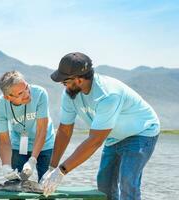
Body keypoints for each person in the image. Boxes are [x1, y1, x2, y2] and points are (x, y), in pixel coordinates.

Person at [41, 52, 160, 199]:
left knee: (127, 181)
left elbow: (95, 141)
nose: (63, 85)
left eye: (64, 81)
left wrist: (62, 171)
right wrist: (52, 168)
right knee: (104, 184)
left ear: (78, 80)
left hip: (141, 132)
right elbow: (65, 131)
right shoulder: (70, 95)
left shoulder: (108, 95)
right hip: (113, 136)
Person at [0, 70, 55, 182]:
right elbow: (4, 141)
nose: (27, 94)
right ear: (8, 97)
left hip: (45, 144)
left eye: (26, 87)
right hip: (19, 145)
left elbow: (42, 130)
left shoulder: (40, 93)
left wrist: (32, 160)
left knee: (46, 184)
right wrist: (5, 165)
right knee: (15, 184)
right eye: (20, 93)